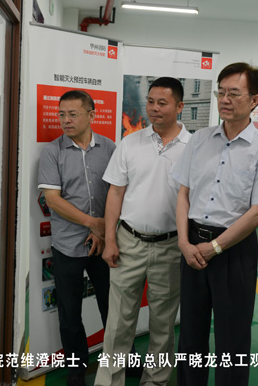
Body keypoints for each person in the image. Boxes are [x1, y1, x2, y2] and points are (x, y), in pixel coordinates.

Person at [171, 62, 258, 386]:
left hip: (234, 249)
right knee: (190, 332)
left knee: (232, 337)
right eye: (221, 93)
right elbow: (183, 193)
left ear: (255, 99)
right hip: (192, 244)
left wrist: (216, 247)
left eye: (234, 93)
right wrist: (183, 242)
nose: (225, 100)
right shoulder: (200, 140)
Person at [94, 77, 191, 386]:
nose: (154, 108)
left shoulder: (193, 148)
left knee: (163, 323)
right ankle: (109, 381)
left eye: (162, 103)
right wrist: (110, 240)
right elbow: (115, 193)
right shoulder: (130, 143)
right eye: (150, 101)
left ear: (179, 106)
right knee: (118, 323)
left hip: (170, 247)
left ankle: (155, 381)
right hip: (128, 243)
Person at [38, 90, 116, 386]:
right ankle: (76, 367)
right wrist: (93, 224)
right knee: (70, 312)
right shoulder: (53, 152)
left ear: (91, 115)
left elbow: (118, 193)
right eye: (61, 114)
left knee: (113, 307)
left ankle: (121, 360)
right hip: (67, 245)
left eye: (73, 114)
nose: (66, 120)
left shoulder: (110, 148)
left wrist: (104, 231)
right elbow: (53, 200)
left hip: (105, 244)